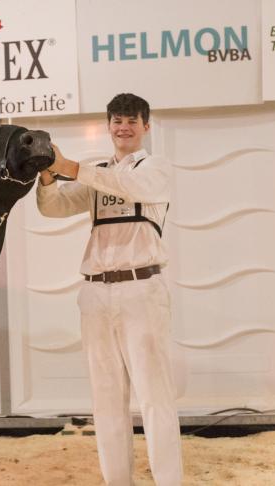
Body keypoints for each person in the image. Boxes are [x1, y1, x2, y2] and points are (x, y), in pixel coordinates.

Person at [36, 93, 183, 485]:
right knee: (106, 399)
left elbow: (129, 185)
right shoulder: (96, 173)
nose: (124, 127)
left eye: (132, 120)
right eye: (117, 120)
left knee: (154, 396)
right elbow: (53, 207)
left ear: (146, 126)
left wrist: (70, 167)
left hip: (142, 288)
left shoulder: (156, 168)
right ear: (108, 126)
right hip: (97, 292)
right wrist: (48, 174)